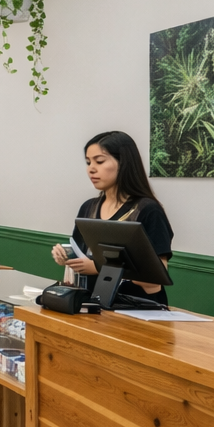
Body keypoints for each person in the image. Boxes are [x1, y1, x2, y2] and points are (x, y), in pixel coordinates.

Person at [50, 130, 174, 306]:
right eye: (88, 162)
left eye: (99, 161)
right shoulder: (88, 207)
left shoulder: (148, 210)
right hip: (93, 306)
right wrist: (66, 257)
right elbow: (82, 253)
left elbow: (155, 278)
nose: (91, 168)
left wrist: (98, 267)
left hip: (137, 309)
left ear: (124, 163)